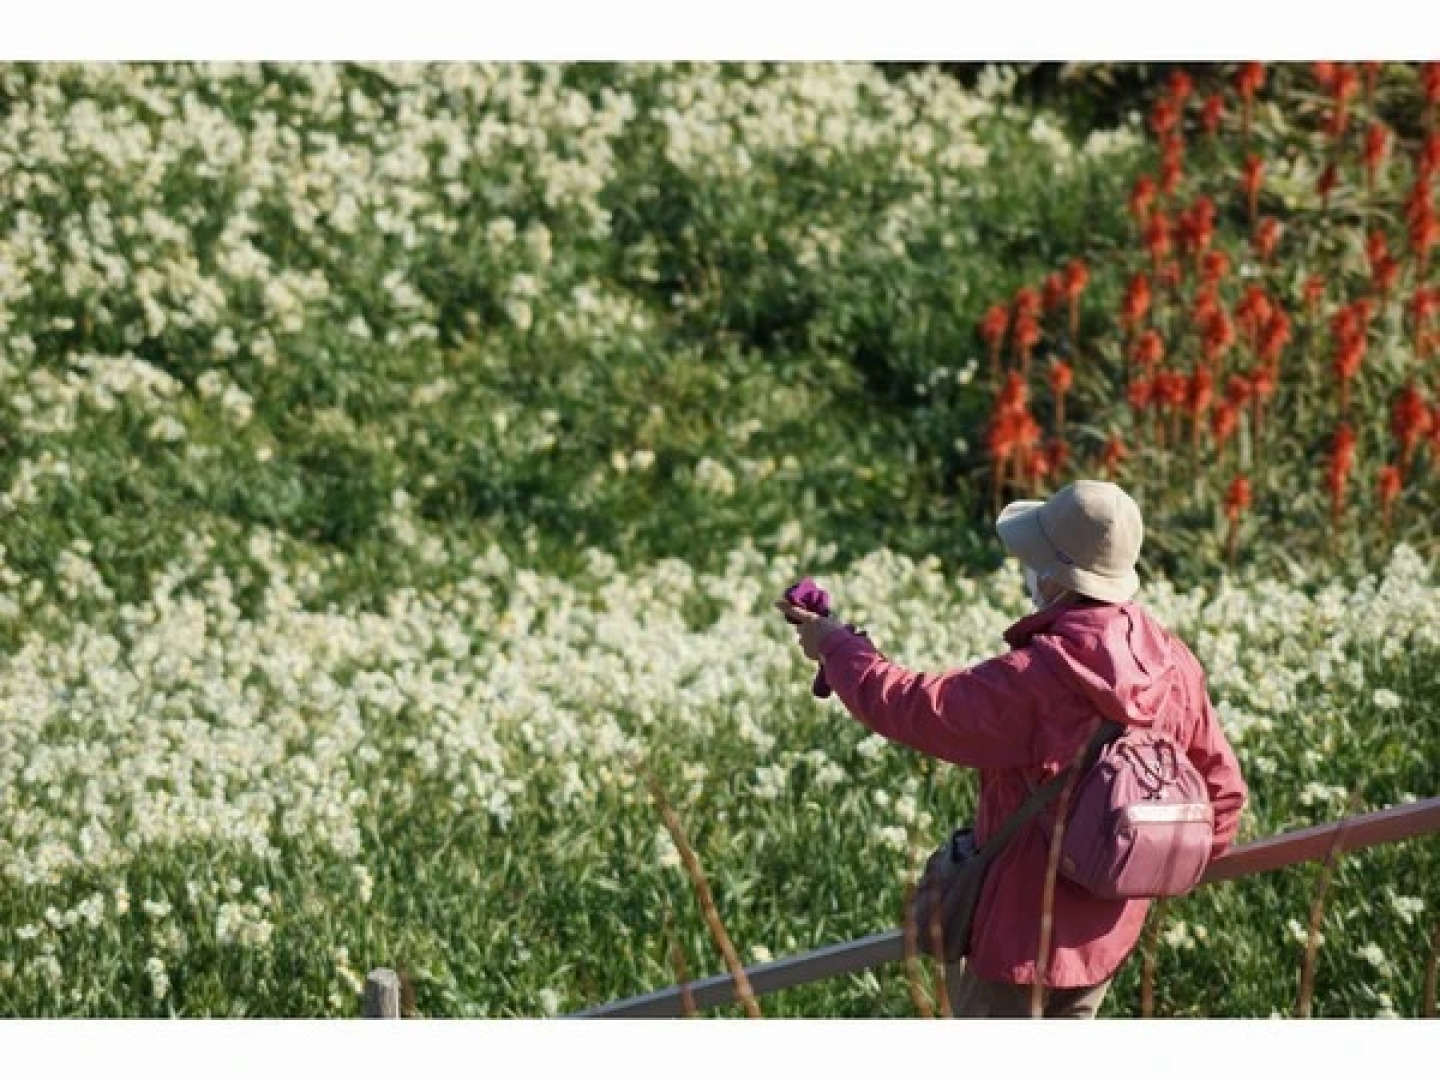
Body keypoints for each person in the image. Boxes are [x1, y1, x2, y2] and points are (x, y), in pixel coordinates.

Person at [775, 479, 1247, 1018]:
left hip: (1019, 941)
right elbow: (1223, 798)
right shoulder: (1171, 660)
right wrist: (1139, 873)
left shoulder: (1043, 677)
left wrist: (836, 647)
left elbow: (917, 708)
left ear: (1055, 578)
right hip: (1108, 936)